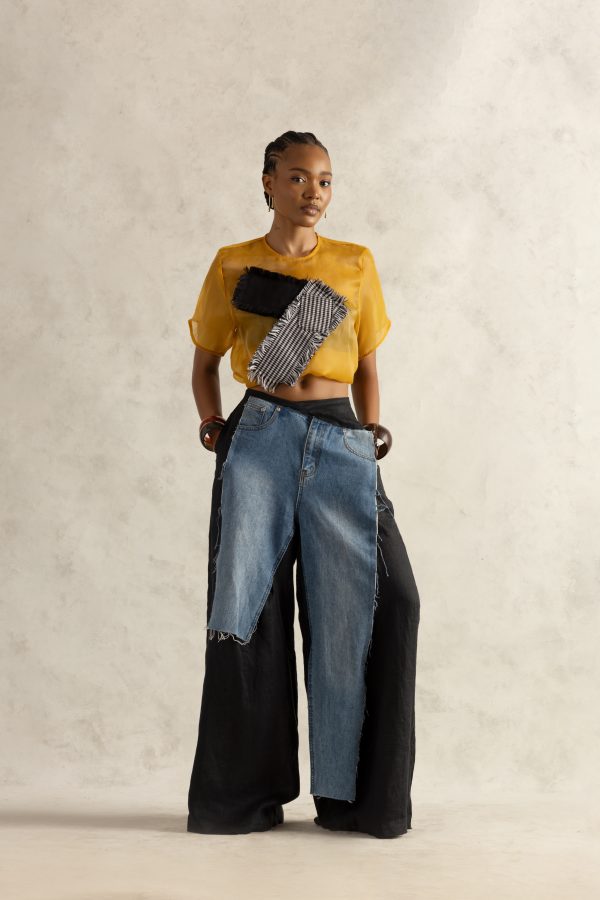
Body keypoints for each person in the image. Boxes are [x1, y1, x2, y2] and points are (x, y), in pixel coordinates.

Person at [186, 131, 421, 839]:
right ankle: (240, 800)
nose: (313, 192)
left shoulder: (354, 263)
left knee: (382, 601)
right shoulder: (233, 263)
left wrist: (371, 435)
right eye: (296, 177)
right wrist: (211, 425)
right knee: (245, 611)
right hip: (259, 438)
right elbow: (204, 362)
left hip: (341, 437)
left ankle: (356, 801)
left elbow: (368, 366)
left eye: (324, 180)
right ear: (268, 182)